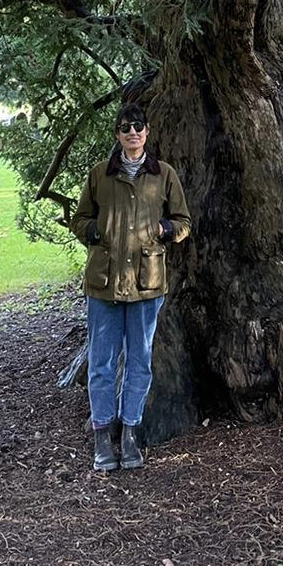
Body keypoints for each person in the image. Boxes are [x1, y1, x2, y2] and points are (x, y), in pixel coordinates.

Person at [70, 107, 191, 472]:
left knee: (139, 362)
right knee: (102, 364)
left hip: (146, 283)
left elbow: (183, 221)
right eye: (125, 128)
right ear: (117, 134)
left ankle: (131, 434)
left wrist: (163, 231)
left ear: (147, 132)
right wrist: (95, 233)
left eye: (138, 127)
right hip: (103, 285)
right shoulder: (99, 175)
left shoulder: (163, 175)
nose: (133, 132)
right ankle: (102, 437)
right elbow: (79, 219)